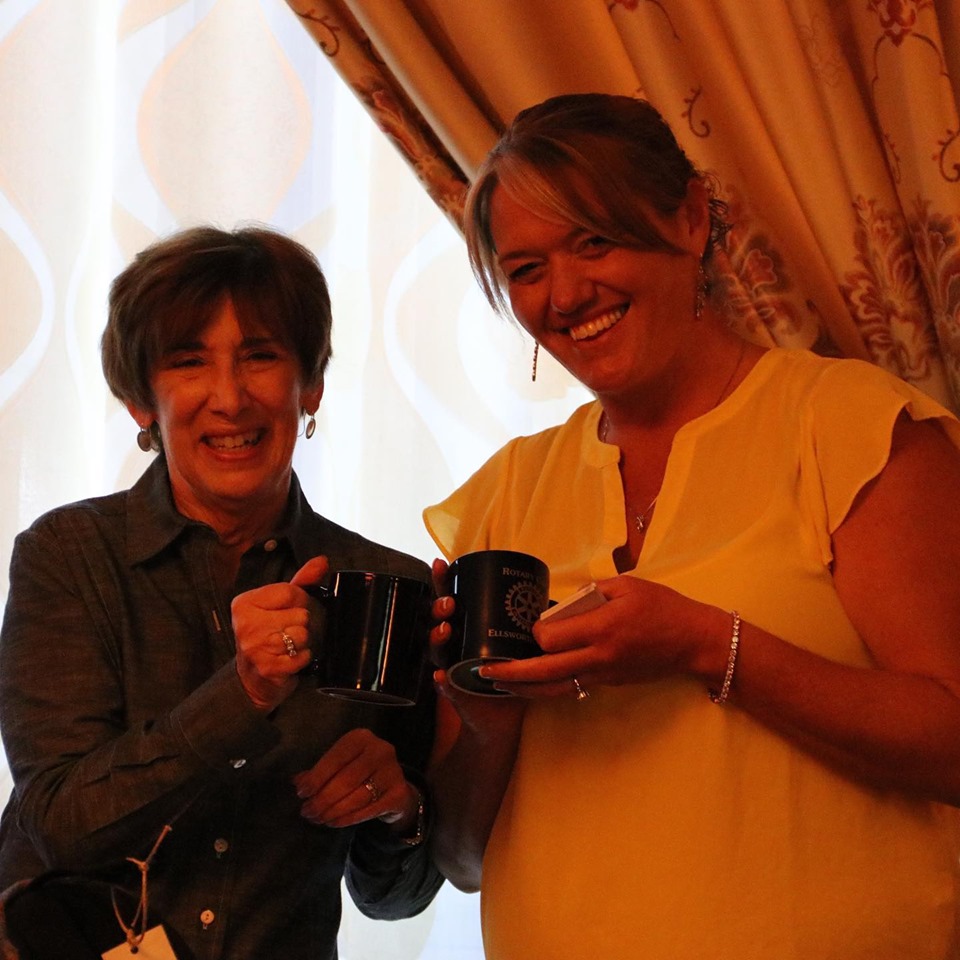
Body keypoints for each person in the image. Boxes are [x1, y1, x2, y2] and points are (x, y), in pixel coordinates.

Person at [423, 93, 960, 958]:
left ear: (692, 218)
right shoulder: (506, 494)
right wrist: (483, 716)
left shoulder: (847, 426)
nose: (566, 293)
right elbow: (460, 858)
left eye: (593, 241)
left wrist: (707, 645)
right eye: (525, 269)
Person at [0, 226, 442, 958]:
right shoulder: (69, 555)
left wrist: (397, 809)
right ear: (142, 400)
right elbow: (59, 825)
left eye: (261, 357)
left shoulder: (383, 586)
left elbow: (394, 897)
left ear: (310, 386)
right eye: (188, 362)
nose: (230, 399)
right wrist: (243, 695)